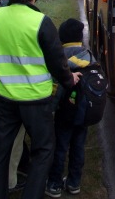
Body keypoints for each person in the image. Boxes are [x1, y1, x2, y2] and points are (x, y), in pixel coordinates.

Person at [0, 0, 81, 199]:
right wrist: (70, 80)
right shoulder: (41, 22)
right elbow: (58, 62)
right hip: (36, 100)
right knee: (43, 150)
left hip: (5, 98)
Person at [45, 18, 91, 197]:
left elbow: (56, 89)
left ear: (61, 38)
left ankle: (55, 184)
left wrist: (49, 110)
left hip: (65, 114)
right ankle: (74, 183)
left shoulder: (61, 58)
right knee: (78, 147)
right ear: (80, 37)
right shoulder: (88, 55)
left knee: (61, 147)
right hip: (84, 113)